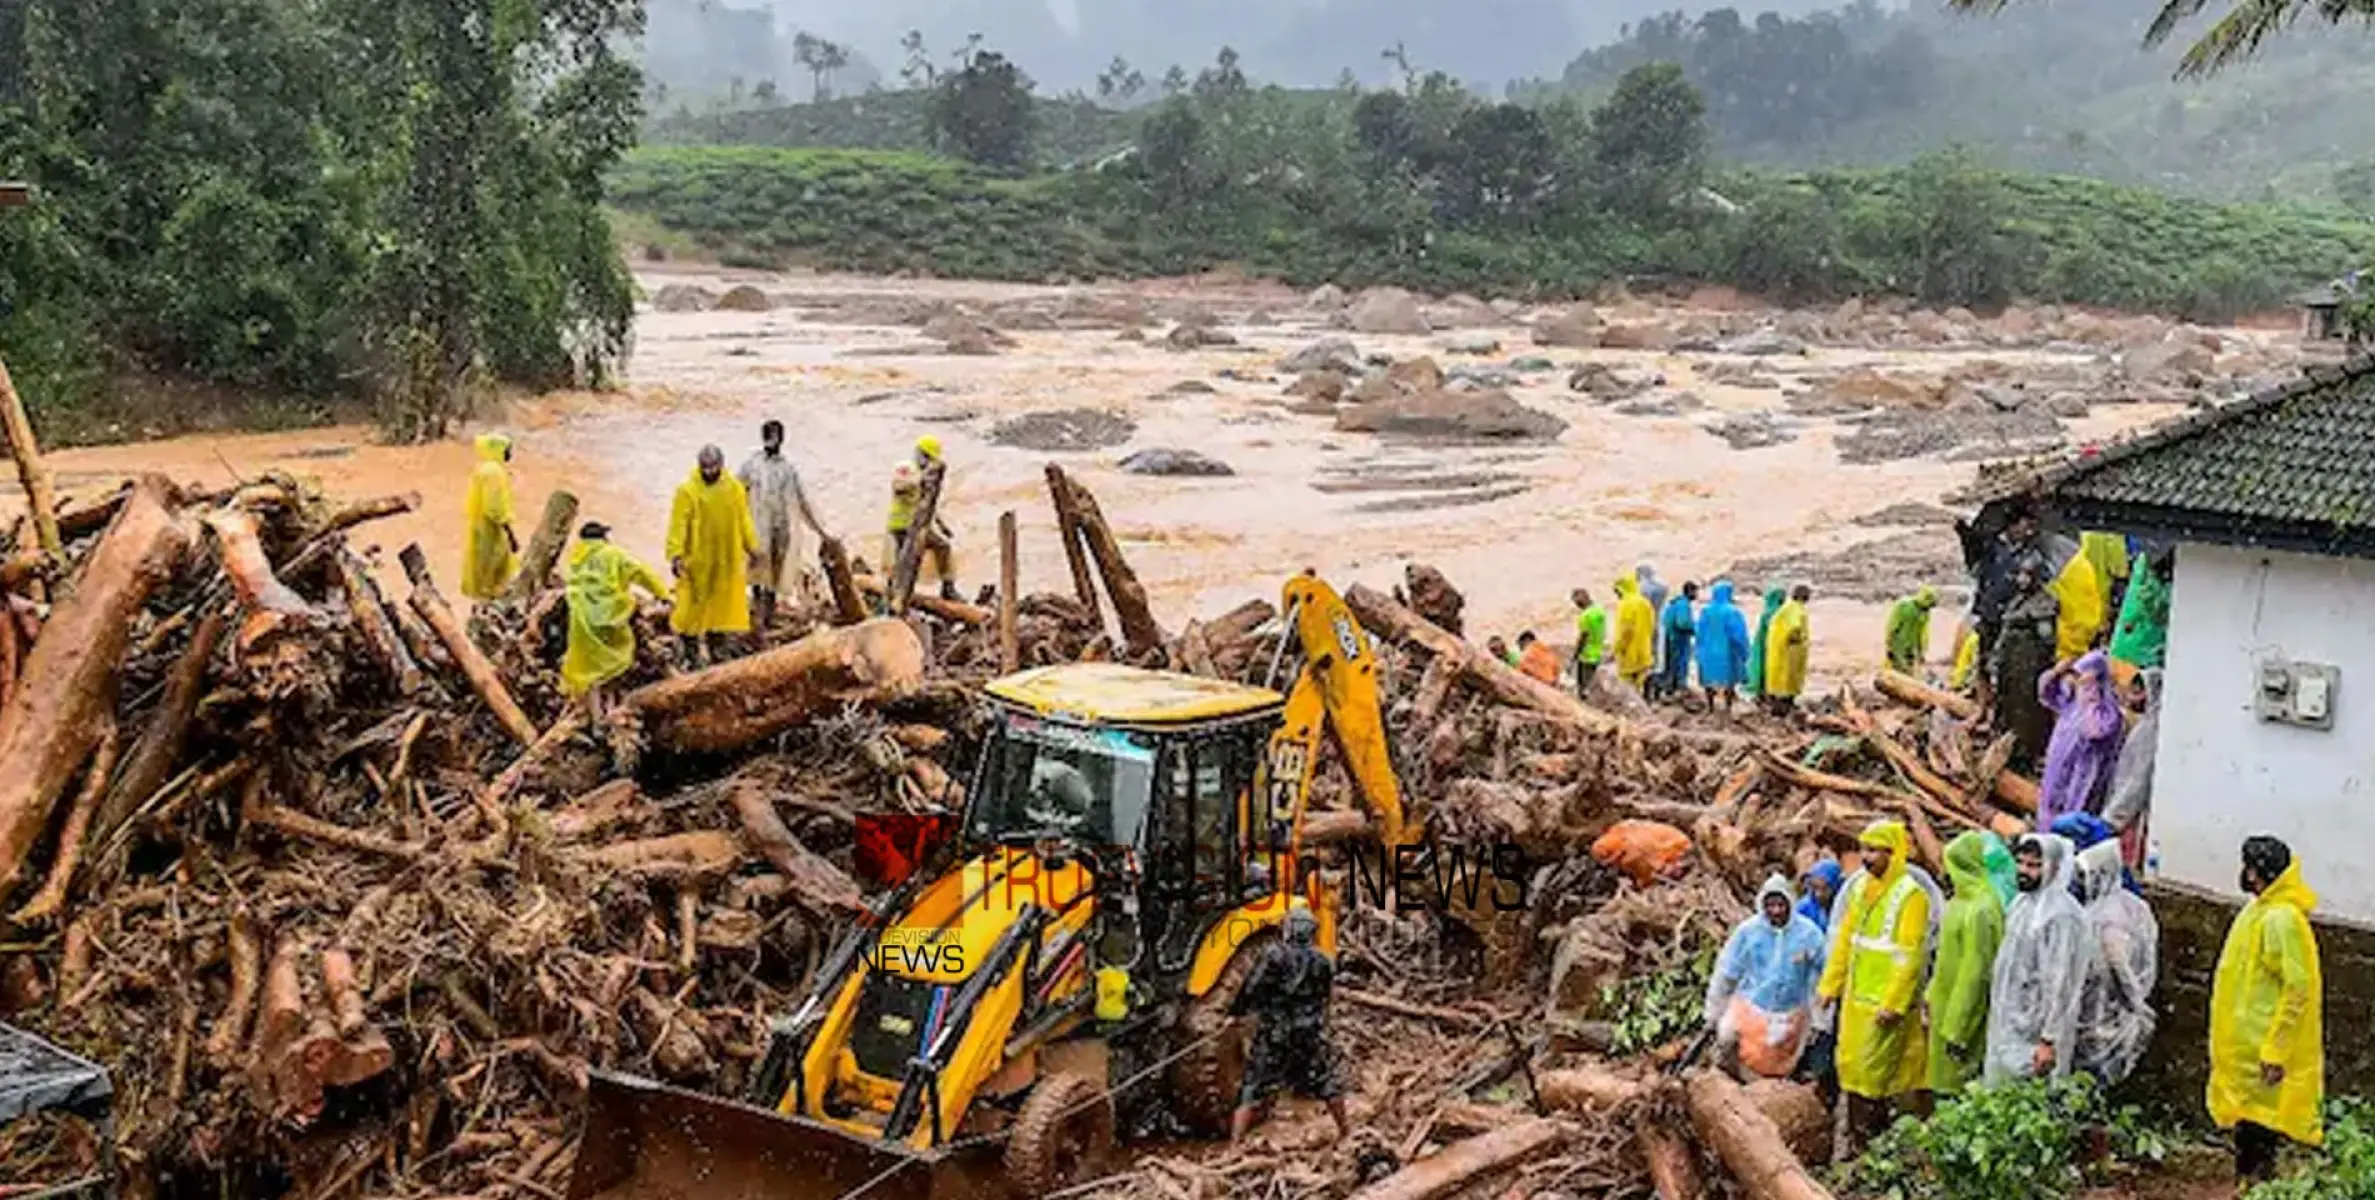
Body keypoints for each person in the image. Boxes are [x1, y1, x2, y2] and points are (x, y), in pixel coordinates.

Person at [2210, 836, 2323, 1181]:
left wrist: (2277, 1049)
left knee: (2261, 1132)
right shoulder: (2258, 910)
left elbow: (2298, 988)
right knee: (2248, 1127)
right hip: (2245, 1051)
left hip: (2262, 1052)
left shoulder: (2282, 920)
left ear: (2258, 872)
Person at [1817, 821, 1932, 1150]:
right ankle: (1857, 1140)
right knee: (1852, 1066)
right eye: (1862, 849)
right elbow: (1845, 942)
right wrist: (1830, 986)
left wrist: (1894, 1003)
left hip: (1884, 1004)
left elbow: (1909, 956)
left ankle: (1877, 1140)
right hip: (1856, 999)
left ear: (1891, 853)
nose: (1865, 858)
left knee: (1876, 1072)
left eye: (1873, 850)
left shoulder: (1911, 896)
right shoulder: (1858, 889)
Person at [1229, 907, 1352, 1145]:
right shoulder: (1323, 961)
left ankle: (1235, 1145)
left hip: (1275, 1033)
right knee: (1326, 1080)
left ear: (1289, 930)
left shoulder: (1273, 955)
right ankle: (1346, 1131)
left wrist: (1238, 1013)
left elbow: (1253, 987)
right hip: (1309, 1033)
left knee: (1252, 1086)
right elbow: (1325, 997)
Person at [1984, 834, 2090, 1083]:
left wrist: (2049, 1038)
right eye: (2020, 863)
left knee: (2032, 1098)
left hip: (2037, 1028)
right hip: (2011, 1018)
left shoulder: (2061, 915)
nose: (2023, 871)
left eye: (2034, 866)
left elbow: (2061, 980)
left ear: (2052, 867)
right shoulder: (2022, 903)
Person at [1705, 875, 1829, 1079]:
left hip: (1791, 1010)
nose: (1777, 911)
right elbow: (1726, 973)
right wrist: (1713, 1012)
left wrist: (1820, 1019)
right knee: (1726, 1036)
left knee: (1781, 1061)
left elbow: (1824, 975)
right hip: (1751, 1004)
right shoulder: (1748, 932)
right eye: (1770, 905)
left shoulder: (1809, 934)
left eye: (1781, 905)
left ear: (1790, 903)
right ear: (1762, 906)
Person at [560, 522, 668, 718]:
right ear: (603, 538)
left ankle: (592, 712)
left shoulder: (575, 558)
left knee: (587, 669)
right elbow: (641, 573)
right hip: (609, 617)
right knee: (617, 660)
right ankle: (611, 709)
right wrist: (662, 593)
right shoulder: (613, 554)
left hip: (582, 620)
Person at [1926, 831, 2006, 1096]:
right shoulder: (1959, 902)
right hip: (1943, 1008)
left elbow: (1976, 973)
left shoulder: (1982, 908)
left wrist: (1958, 1029)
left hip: (1960, 1020)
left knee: (1958, 1090)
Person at [2072, 841, 2157, 1086]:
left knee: (2094, 1075)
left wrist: (2135, 1005)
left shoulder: (2106, 916)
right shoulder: (2133, 904)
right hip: (2114, 1006)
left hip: (2104, 1009)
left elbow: (2116, 962)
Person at [667, 445, 761, 663]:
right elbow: (677, 524)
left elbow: (744, 520)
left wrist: (753, 547)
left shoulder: (734, 488)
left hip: (725, 560)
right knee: (691, 609)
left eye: (713, 467)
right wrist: (676, 554)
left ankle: (717, 650)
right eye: (705, 468)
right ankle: (690, 653)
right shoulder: (687, 490)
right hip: (697, 561)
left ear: (721, 465)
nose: (709, 472)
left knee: (720, 610)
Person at [739, 419, 829, 630]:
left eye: (777, 437)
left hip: (781, 530)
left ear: (782, 439)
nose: (773, 442)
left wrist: (822, 531)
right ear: (763, 439)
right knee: (756, 573)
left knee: (775, 576)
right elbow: (734, 493)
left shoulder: (788, 469)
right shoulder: (751, 465)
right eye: (770, 437)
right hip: (757, 529)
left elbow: (803, 501)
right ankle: (757, 617)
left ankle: (767, 618)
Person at [2038, 651, 2126, 826]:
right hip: (2058, 771)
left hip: (2081, 777)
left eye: (2082, 676)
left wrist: (2089, 695)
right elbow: (2046, 694)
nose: (2078, 681)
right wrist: (2056, 672)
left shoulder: (2108, 710)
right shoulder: (2071, 703)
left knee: (2070, 822)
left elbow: (2094, 731)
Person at [1991, 555, 2060, 773]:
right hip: (2010, 664)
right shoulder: (2016, 600)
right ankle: (2007, 748)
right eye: (2020, 574)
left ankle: (2025, 756)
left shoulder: (2044, 602)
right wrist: (1995, 661)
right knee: (2007, 708)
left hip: (2028, 666)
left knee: (2027, 713)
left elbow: (2047, 640)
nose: (2021, 579)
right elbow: (2004, 633)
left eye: (2027, 575)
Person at [2102, 667, 2163, 871]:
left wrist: (2115, 817)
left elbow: (2139, 779)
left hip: (2129, 815)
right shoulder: (2145, 725)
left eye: (2139, 691)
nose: (2131, 697)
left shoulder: (2151, 731)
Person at [888, 436, 960, 603]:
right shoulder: (906, 468)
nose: (928, 462)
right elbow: (899, 486)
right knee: (902, 562)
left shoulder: (927, 474)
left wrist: (942, 526)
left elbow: (928, 504)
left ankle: (947, 587)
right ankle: (896, 595)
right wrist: (920, 480)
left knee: (943, 547)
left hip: (920, 526)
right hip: (902, 525)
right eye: (927, 457)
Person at [461, 432, 519, 600]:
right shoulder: (495, 473)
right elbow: (495, 508)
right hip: (491, 531)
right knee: (494, 574)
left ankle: (481, 606)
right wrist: (511, 534)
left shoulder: (483, 468)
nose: (510, 454)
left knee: (481, 571)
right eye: (507, 450)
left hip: (478, 526)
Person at [2109, 549, 2171, 671]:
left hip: (2127, 646)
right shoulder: (2156, 561)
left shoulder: (2149, 554)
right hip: (2140, 652)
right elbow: (2155, 608)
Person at [1695, 580, 1752, 713]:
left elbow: (1699, 631)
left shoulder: (1705, 611)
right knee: (1729, 680)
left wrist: (1698, 649)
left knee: (1708, 679)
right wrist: (1744, 650)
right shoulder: (1732, 612)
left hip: (1707, 651)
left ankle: (1710, 706)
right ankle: (1727, 706)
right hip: (1727, 651)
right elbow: (1738, 634)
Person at [1763, 585, 1811, 716]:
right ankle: (1784, 708)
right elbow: (1795, 626)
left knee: (1779, 678)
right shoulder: (1797, 609)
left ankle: (1777, 706)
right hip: (1791, 651)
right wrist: (1797, 639)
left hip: (1778, 649)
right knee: (1790, 679)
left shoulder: (1785, 608)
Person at [1654, 581, 1699, 702]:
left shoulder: (1675, 603)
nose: (1696, 594)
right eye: (1695, 591)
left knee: (1670, 664)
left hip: (1670, 638)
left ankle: (1667, 688)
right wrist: (1695, 628)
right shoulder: (1683, 604)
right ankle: (1676, 689)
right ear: (1690, 591)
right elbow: (1682, 623)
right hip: (1678, 639)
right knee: (1679, 664)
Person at [1613, 575, 1656, 693]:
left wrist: (1617, 648)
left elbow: (1625, 631)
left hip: (1629, 654)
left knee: (1628, 689)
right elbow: (1652, 625)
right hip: (1644, 651)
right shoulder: (1645, 603)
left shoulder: (1625, 605)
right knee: (1642, 685)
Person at [1885, 586, 1939, 674]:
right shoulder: (1904, 606)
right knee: (1895, 672)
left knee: (1909, 672)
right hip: (1898, 645)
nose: (1929, 609)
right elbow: (1892, 626)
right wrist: (1889, 645)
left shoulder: (1924, 613)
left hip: (1911, 648)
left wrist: (1921, 652)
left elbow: (1923, 633)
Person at [1745, 586, 1785, 698]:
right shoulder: (1779, 613)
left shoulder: (1767, 612)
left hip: (1764, 645)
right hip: (1774, 646)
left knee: (1763, 667)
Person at [1572, 588, 1608, 697]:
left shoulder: (1585, 616)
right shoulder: (1600, 611)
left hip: (1586, 655)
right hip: (1598, 651)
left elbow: (1583, 637)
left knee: (1582, 686)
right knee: (1593, 682)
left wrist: (1575, 656)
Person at [1637, 564, 1670, 678]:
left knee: (1647, 646)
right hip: (1659, 616)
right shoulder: (1662, 586)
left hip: (1645, 619)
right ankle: (1657, 670)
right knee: (1657, 646)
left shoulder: (1642, 587)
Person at [1797, 859, 1843, 932]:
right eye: (1815, 887)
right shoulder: (1803, 908)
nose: (1819, 894)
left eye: (1825, 888)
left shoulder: (1844, 906)